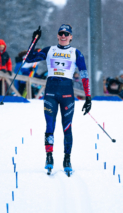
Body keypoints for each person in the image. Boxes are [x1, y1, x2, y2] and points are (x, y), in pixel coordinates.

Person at [25, 25, 91, 175]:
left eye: (66, 34)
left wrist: (88, 97)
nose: (63, 36)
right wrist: (34, 40)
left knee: (67, 128)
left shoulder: (76, 53)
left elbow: (84, 75)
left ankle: (67, 159)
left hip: (67, 94)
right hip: (50, 93)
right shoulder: (49, 50)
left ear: (71, 37)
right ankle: (49, 157)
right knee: (50, 126)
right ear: (57, 35)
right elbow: (29, 58)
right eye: (61, 33)